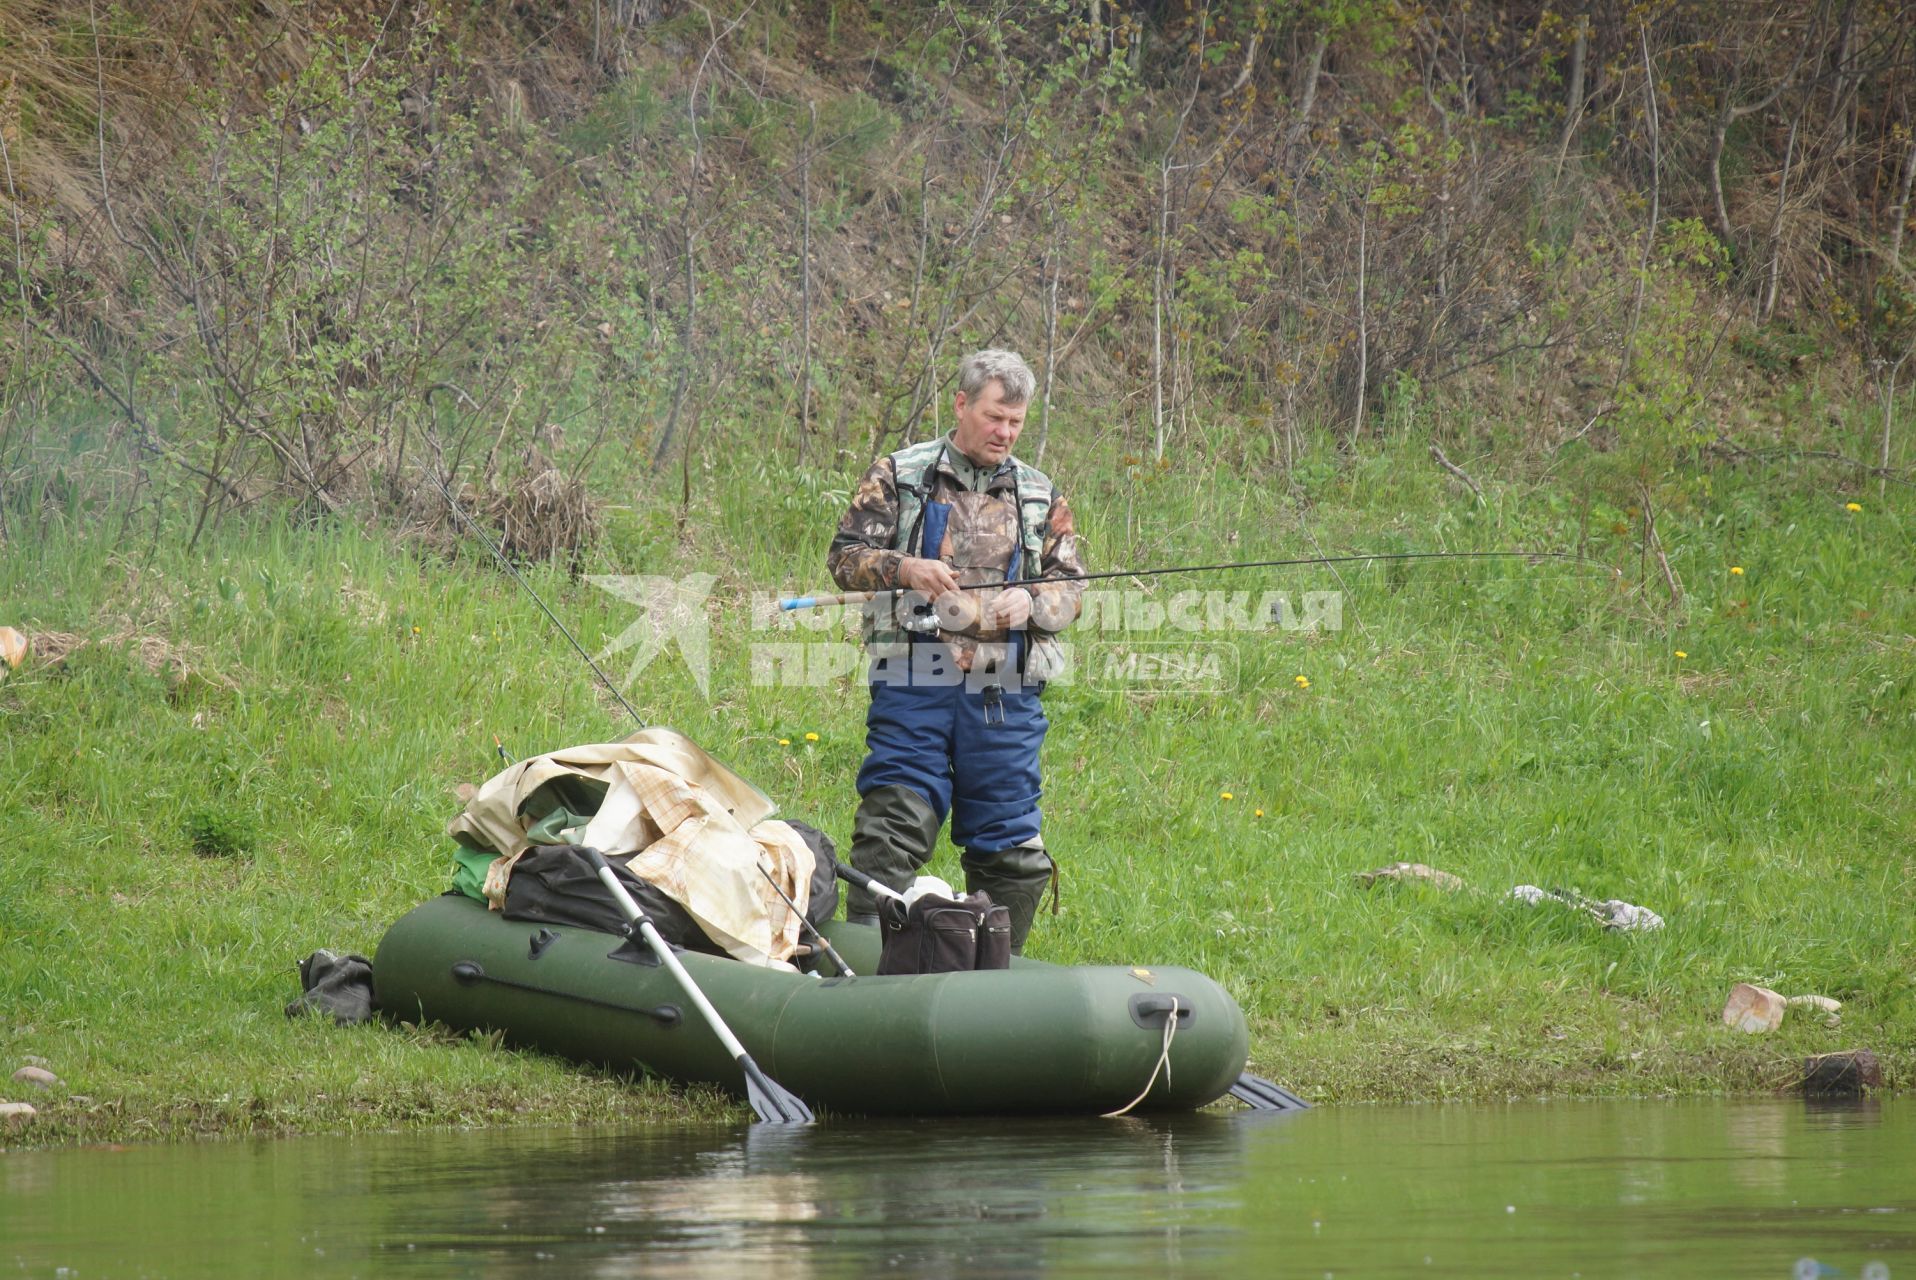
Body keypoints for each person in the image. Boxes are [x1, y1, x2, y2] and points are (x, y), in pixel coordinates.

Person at [826, 349, 1085, 953]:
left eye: (1017, 423)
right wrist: (904, 567)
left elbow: (1072, 588)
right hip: (914, 672)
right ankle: (867, 968)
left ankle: (997, 975)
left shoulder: (1040, 495)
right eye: (996, 417)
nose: (1005, 433)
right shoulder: (900, 473)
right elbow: (843, 559)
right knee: (894, 819)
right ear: (962, 404)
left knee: (1011, 844)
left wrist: (1033, 600)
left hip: (1004, 689)